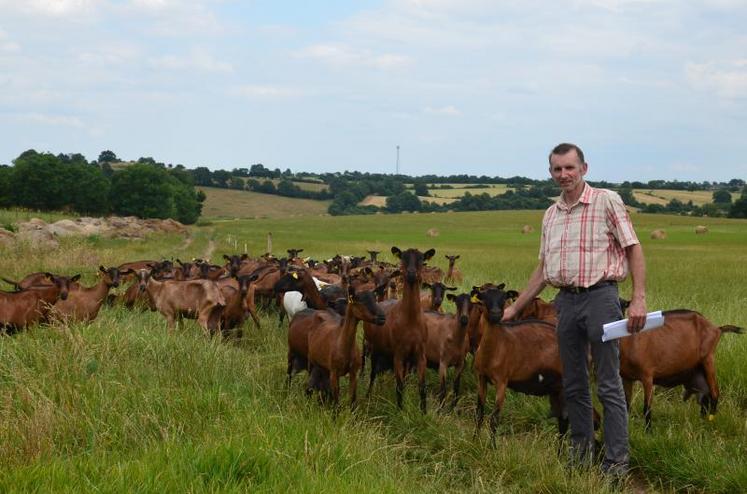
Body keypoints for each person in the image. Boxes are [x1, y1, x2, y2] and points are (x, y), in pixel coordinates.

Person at [502, 142, 647, 477]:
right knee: (574, 383)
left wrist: (638, 298)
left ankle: (616, 461)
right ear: (550, 172)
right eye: (557, 169)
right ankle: (582, 454)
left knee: (608, 382)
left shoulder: (606, 201)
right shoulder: (551, 215)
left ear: (584, 168)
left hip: (600, 299)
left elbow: (633, 249)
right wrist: (516, 308)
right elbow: (543, 269)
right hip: (564, 303)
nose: (563, 175)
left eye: (570, 168)